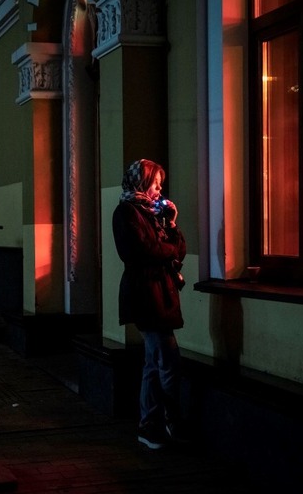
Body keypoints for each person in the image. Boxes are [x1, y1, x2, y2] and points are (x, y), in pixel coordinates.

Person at [112, 159, 187, 450]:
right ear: (141, 182)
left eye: (160, 184)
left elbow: (179, 247)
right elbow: (140, 250)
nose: (159, 189)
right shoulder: (127, 212)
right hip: (145, 295)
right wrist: (168, 250)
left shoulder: (153, 214)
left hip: (161, 292)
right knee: (167, 359)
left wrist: (171, 221)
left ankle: (150, 424)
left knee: (154, 362)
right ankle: (168, 421)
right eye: (154, 183)